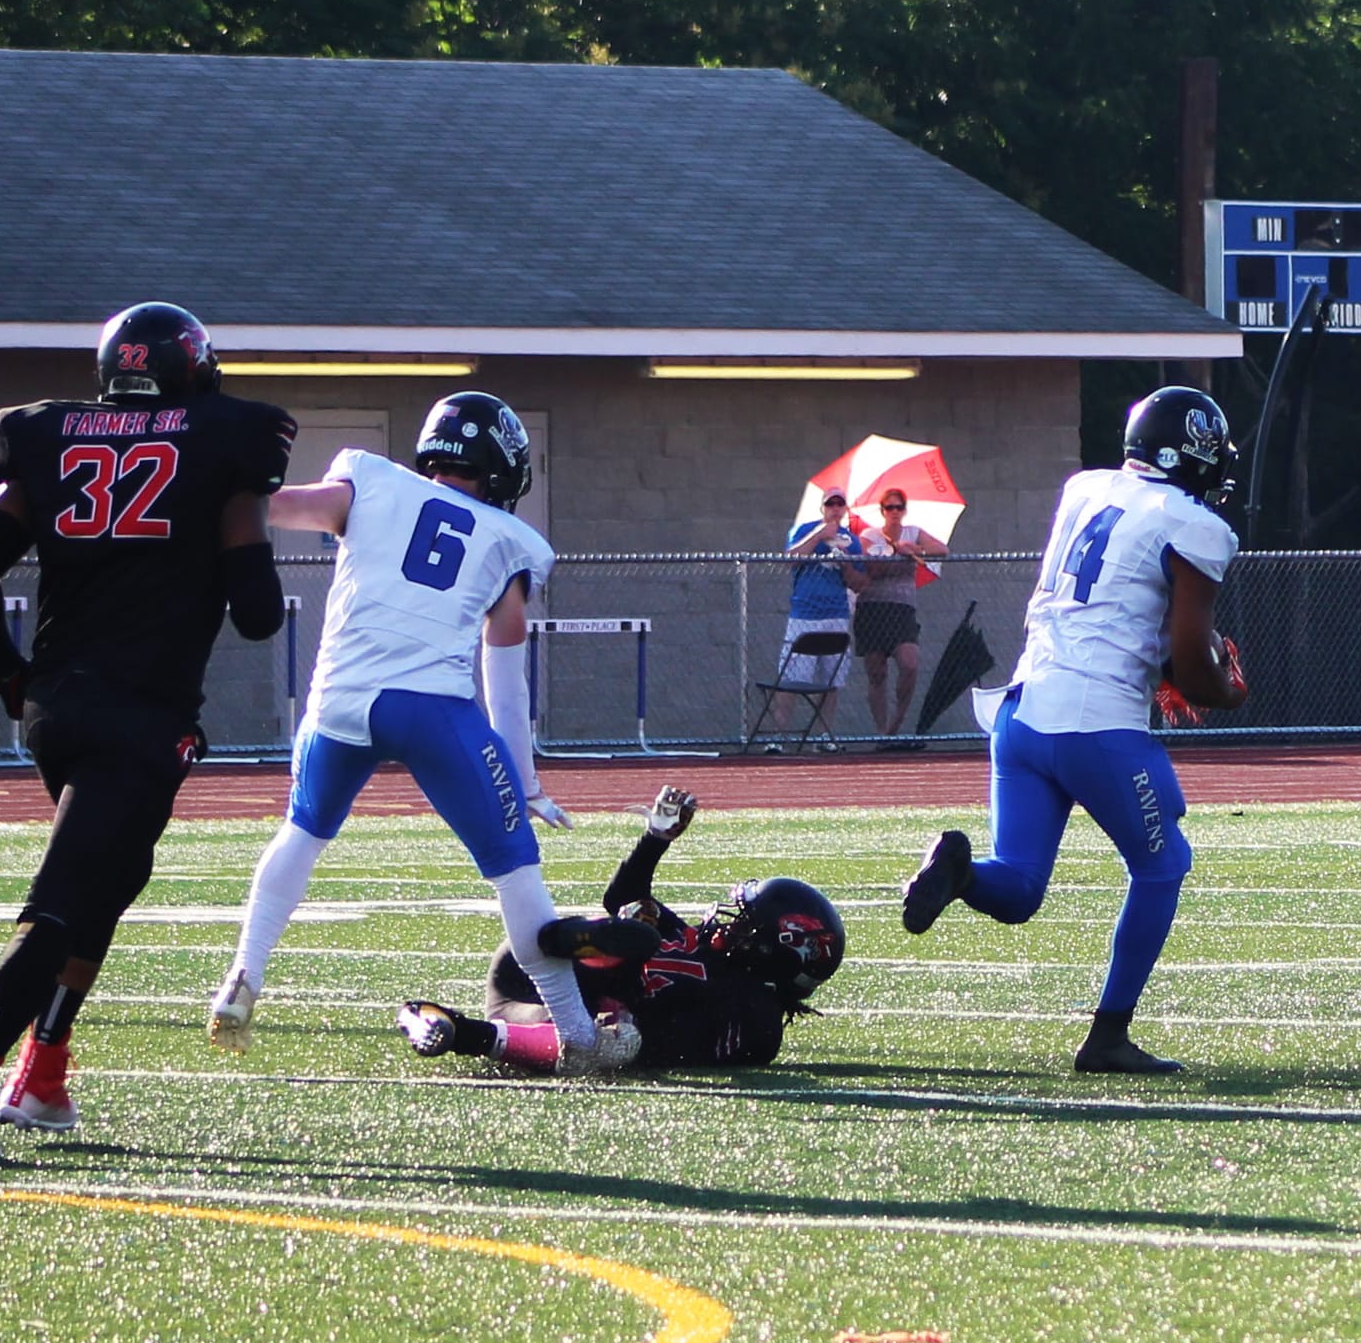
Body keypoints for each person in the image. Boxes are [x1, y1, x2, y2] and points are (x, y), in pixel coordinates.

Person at [0, 302, 295, 1165]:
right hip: (141, 712)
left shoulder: (49, 435)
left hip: (56, 707)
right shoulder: (227, 442)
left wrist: (9, 672)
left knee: (114, 877)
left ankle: (42, 1075)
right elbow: (260, 615)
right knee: (64, 900)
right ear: (194, 370)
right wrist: (238, 524)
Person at [203, 391, 638, 1076]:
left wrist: (214, 483)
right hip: (431, 708)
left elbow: (277, 507)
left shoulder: (370, 479)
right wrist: (524, 782)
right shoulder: (509, 539)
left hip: (337, 702)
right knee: (514, 866)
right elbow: (505, 676)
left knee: (301, 832)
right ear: (503, 466)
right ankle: (579, 1034)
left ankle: (242, 976)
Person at [899, 385, 1249, 1075]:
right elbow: (1193, 666)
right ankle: (1108, 1036)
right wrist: (1227, 687)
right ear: (1189, 454)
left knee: (1018, 886)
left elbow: (1120, 607)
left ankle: (961, 872)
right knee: (1163, 866)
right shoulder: (1197, 526)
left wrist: (1167, 662)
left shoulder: (1085, 489)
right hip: (1096, 724)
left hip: (1022, 713)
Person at [397, 786, 845, 1070]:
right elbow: (622, 896)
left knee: (606, 1043)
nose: (728, 920)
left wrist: (622, 1011)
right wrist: (654, 840)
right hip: (537, 965)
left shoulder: (754, 1018)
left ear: (772, 950)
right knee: (637, 931)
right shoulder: (696, 943)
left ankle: (446, 1026)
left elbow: (664, 1046)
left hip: (546, 1011)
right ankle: (566, 942)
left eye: (745, 923)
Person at [766, 484, 865, 750]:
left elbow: (859, 583)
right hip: (804, 616)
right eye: (830, 504)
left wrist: (845, 563)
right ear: (822, 507)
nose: (835, 509)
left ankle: (822, 736)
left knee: (831, 680)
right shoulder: (803, 530)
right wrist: (820, 534)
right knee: (790, 678)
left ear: (845, 509)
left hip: (836, 616)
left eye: (839, 504)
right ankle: (777, 737)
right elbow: (790, 559)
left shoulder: (852, 540)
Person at [855, 486, 948, 745]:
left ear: (904, 510)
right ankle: (881, 731)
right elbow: (869, 568)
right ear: (882, 511)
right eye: (889, 507)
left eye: (899, 507)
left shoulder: (913, 533)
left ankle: (895, 725)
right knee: (876, 672)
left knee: (909, 663)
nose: (894, 512)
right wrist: (895, 552)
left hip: (902, 608)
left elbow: (942, 549)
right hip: (873, 607)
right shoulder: (870, 536)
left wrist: (916, 549)